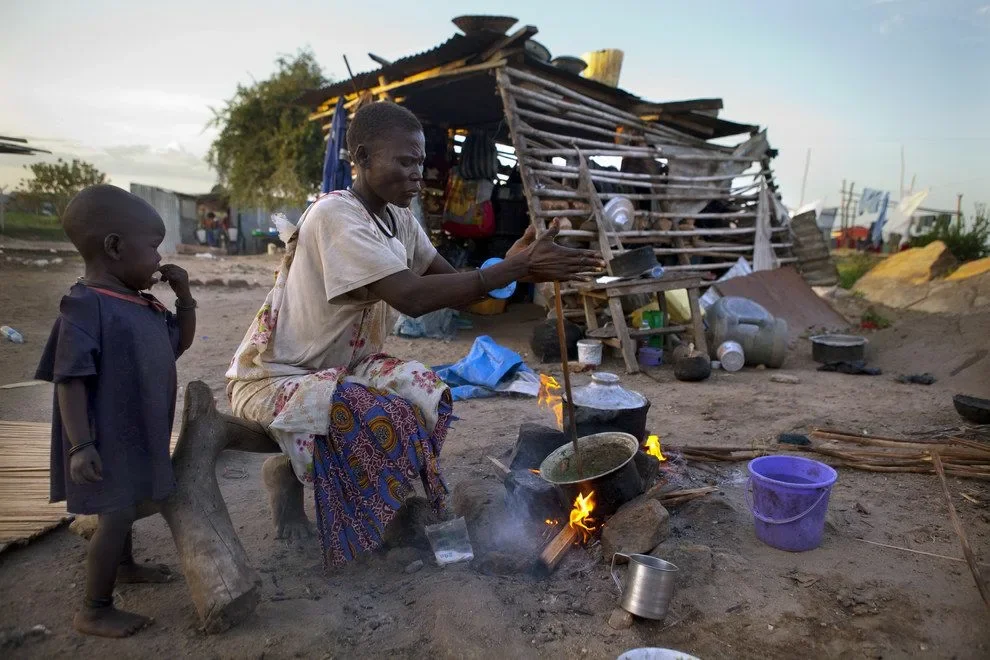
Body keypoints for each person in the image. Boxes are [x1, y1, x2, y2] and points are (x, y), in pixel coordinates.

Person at [226, 101, 602, 568]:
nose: (417, 173)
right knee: (371, 413)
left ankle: (384, 505)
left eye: (420, 162)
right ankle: (355, 520)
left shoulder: (400, 220)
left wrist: (509, 262)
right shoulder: (334, 216)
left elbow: (457, 289)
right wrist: (513, 268)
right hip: (280, 375)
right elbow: (412, 297)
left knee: (426, 392)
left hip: (344, 369)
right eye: (405, 161)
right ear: (361, 157)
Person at [35, 185, 197, 638]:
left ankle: (125, 566)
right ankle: (94, 608)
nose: (159, 256)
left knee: (123, 508)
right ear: (114, 246)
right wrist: (81, 444)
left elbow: (178, 344)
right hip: (104, 437)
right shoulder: (85, 306)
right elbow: (70, 379)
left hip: (137, 428)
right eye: (153, 246)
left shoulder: (141, 301)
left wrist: (184, 298)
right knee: (114, 514)